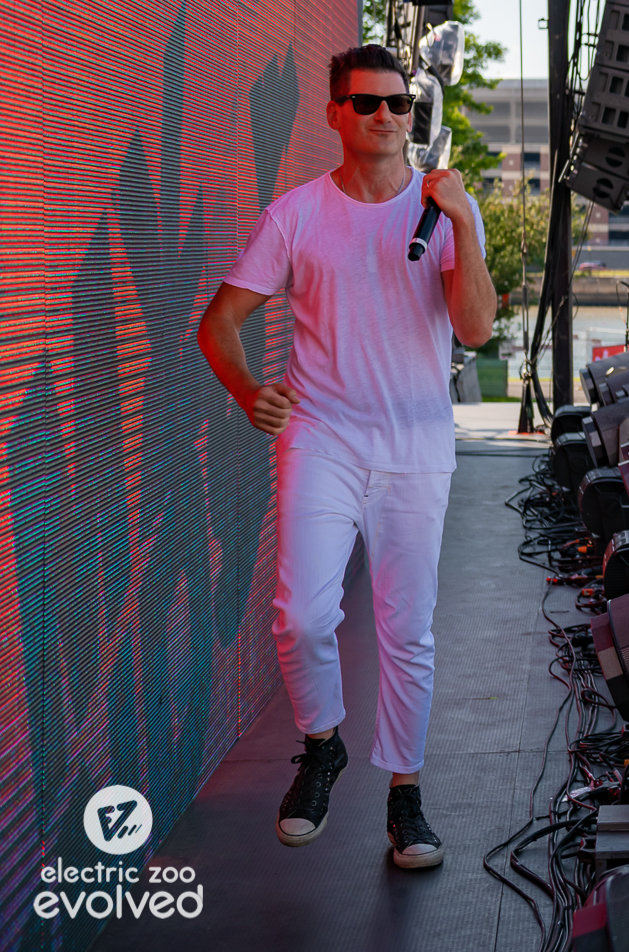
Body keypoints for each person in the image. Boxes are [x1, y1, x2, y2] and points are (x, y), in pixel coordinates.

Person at [196, 44, 495, 868]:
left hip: (417, 445)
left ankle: (406, 794)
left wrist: (465, 221)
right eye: (366, 103)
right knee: (301, 614)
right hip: (321, 437)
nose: (387, 116)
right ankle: (321, 744)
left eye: (399, 104)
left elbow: (474, 328)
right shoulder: (295, 214)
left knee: (408, 630)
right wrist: (247, 389)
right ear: (334, 114)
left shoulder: (439, 213)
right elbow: (218, 324)